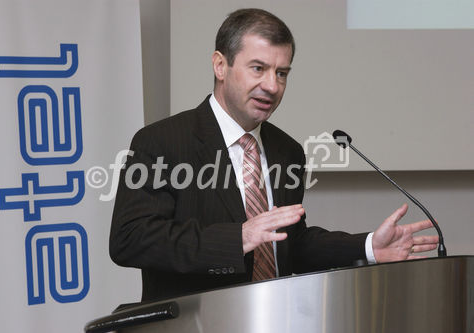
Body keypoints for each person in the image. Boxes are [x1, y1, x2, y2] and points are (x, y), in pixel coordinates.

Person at [109, 8, 438, 302]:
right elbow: (130, 239)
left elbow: (289, 245)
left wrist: (368, 247)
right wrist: (236, 238)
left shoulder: (287, 151)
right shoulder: (162, 142)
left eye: (282, 73)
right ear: (220, 65)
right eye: (258, 68)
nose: (272, 86)